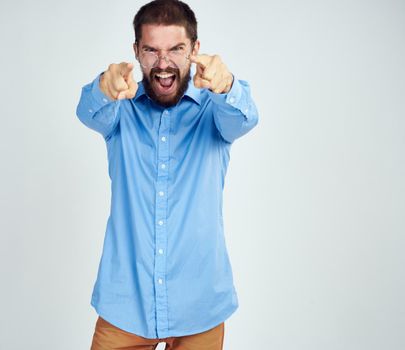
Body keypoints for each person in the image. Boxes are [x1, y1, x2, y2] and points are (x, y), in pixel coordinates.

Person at [76, 0, 259, 348]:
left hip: (201, 304)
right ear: (136, 52)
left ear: (195, 50)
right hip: (125, 306)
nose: (163, 63)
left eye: (176, 49)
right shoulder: (120, 107)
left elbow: (246, 118)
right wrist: (103, 85)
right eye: (151, 50)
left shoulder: (216, 110)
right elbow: (87, 112)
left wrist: (228, 85)